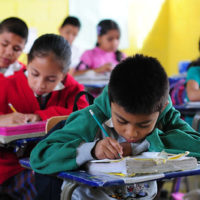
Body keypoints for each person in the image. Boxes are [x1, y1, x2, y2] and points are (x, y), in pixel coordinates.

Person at [30, 54, 200, 200]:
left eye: (144, 124)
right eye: (122, 121)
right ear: (111, 102)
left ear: (161, 108)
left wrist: (143, 144)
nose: (131, 133)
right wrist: (92, 150)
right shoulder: (91, 118)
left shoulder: (165, 115)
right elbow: (40, 155)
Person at [0, 34, 89, 200]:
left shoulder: (73, 90)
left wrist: (41, 116)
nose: (40, 84)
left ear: (64, 74)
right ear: (27, 63)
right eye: (34, 74)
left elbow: (83, 115)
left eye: (51, 79)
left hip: (54, 164)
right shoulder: (7, 83)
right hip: (12, 167)